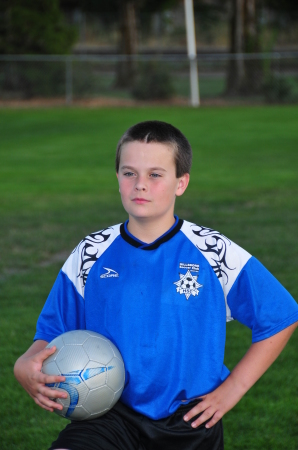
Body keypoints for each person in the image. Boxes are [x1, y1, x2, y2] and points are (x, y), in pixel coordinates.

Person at [14, 120, 298, 450]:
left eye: (155, 174)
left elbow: (281, 315)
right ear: (117, 179)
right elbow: (51, 333)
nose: (140, 185)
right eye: (129, 173)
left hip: (190, 422)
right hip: (107, 414)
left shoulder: (213, 251)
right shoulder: (91, 253)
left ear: (181, 183)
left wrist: (233, 387)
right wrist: (25, 364)